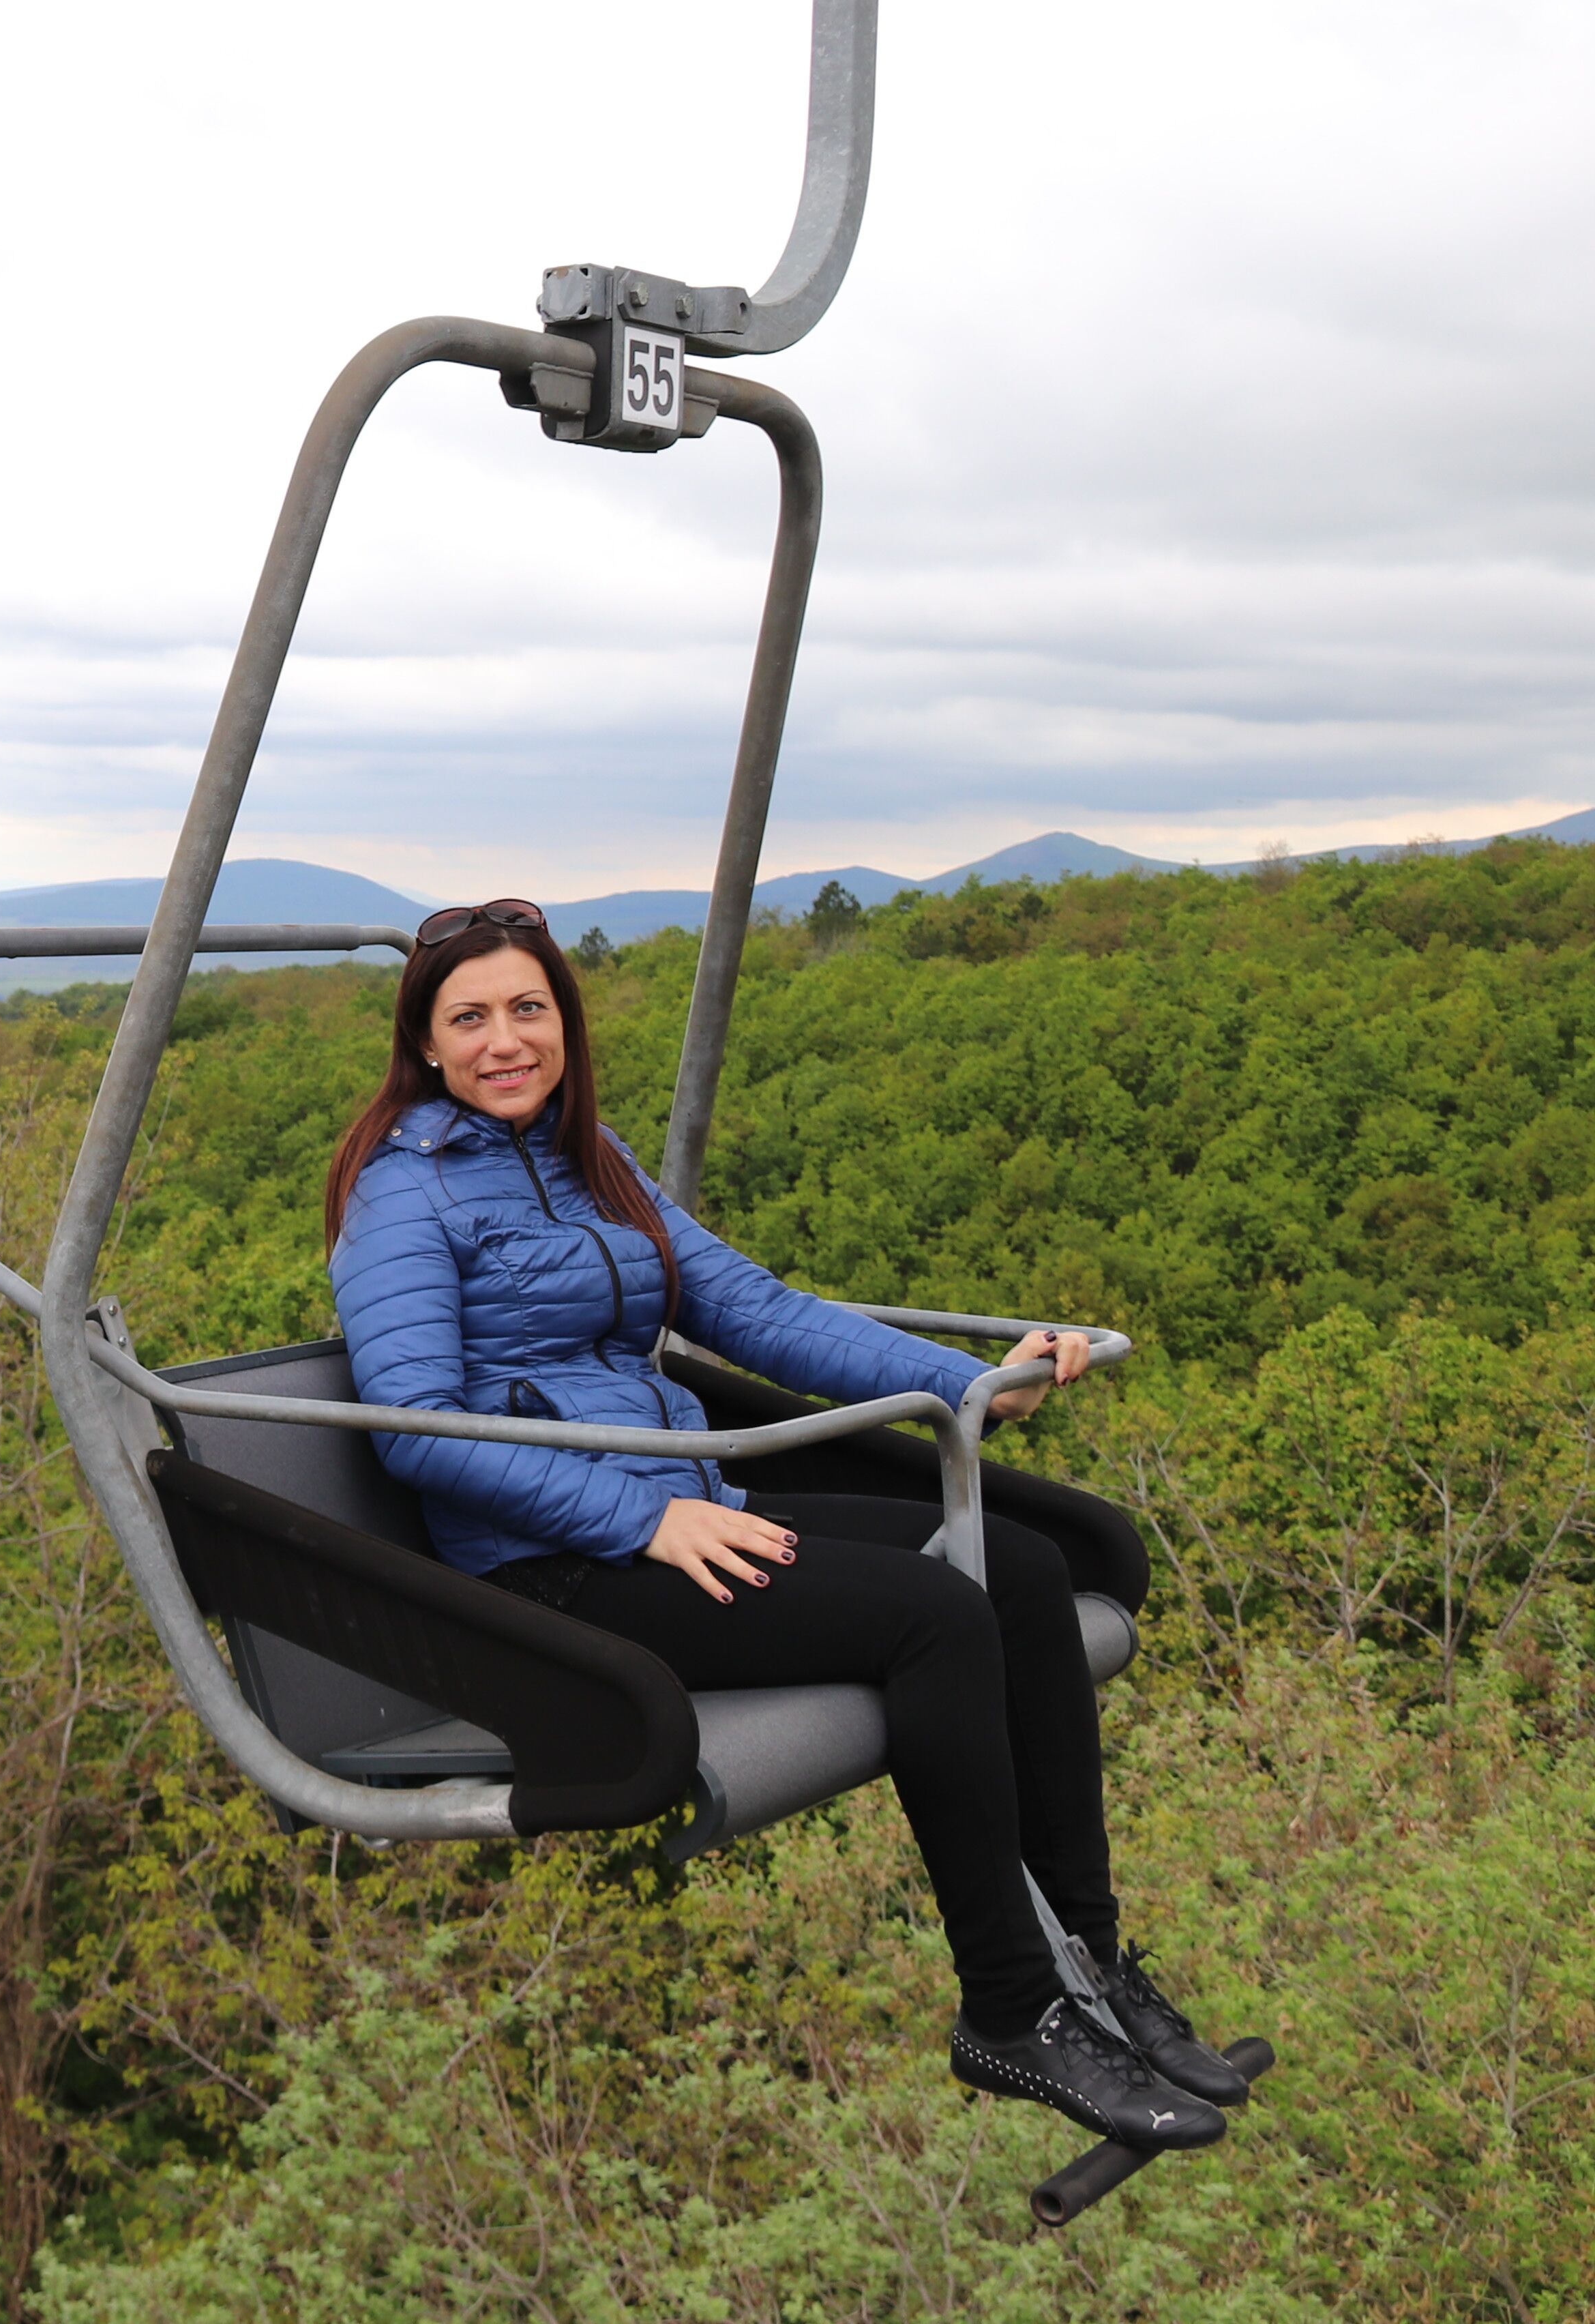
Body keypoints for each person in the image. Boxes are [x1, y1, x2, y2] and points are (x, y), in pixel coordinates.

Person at [323, 899, 1248, 2151]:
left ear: (565, 1022)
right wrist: (636, 1525)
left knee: (1018, 1571)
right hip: (549, 1568)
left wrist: (961, 1382)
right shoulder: (403, 1196)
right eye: (470, 1018)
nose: (505, 1040)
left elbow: (753, 1311)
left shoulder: (590, 1162)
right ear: (426, 1045)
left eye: (527, 1009)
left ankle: (1092, 1959)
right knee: (932, 1615)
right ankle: (1012, 2011)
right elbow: (418, 1426)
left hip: (687, 1504)